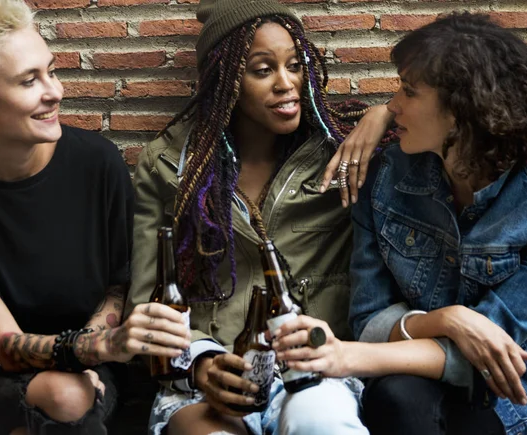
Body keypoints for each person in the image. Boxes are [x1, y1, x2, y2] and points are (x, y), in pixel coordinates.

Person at [125, 0, 396, 433]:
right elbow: (147, 306)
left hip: (315, 370)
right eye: (263, 69)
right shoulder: (169, 166)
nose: (287, 84)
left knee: (323, 424)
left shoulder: (338, 151)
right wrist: (202, 366)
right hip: (212, 377)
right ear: (225, 78)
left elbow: (448, 124)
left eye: (295, 64)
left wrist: (387, 112)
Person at [0, 1, 190, 434]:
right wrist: (97, 348)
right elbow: (8, 349)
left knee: (69, 396)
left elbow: (120, 281)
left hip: (91, 370)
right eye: (29, 80)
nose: (55, 91)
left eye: (51, 71)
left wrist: (92, 354)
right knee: (63, 396)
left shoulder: (98, 162)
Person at [345, 12, 527, 435]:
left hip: (515, 393)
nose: (391, 104)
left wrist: (346, 357)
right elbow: (368, 319)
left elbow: (496, 353)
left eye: (408, 91)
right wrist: (448, 319)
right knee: (399, 396)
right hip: (411, 380)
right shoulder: (385, 179)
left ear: (461, 111)